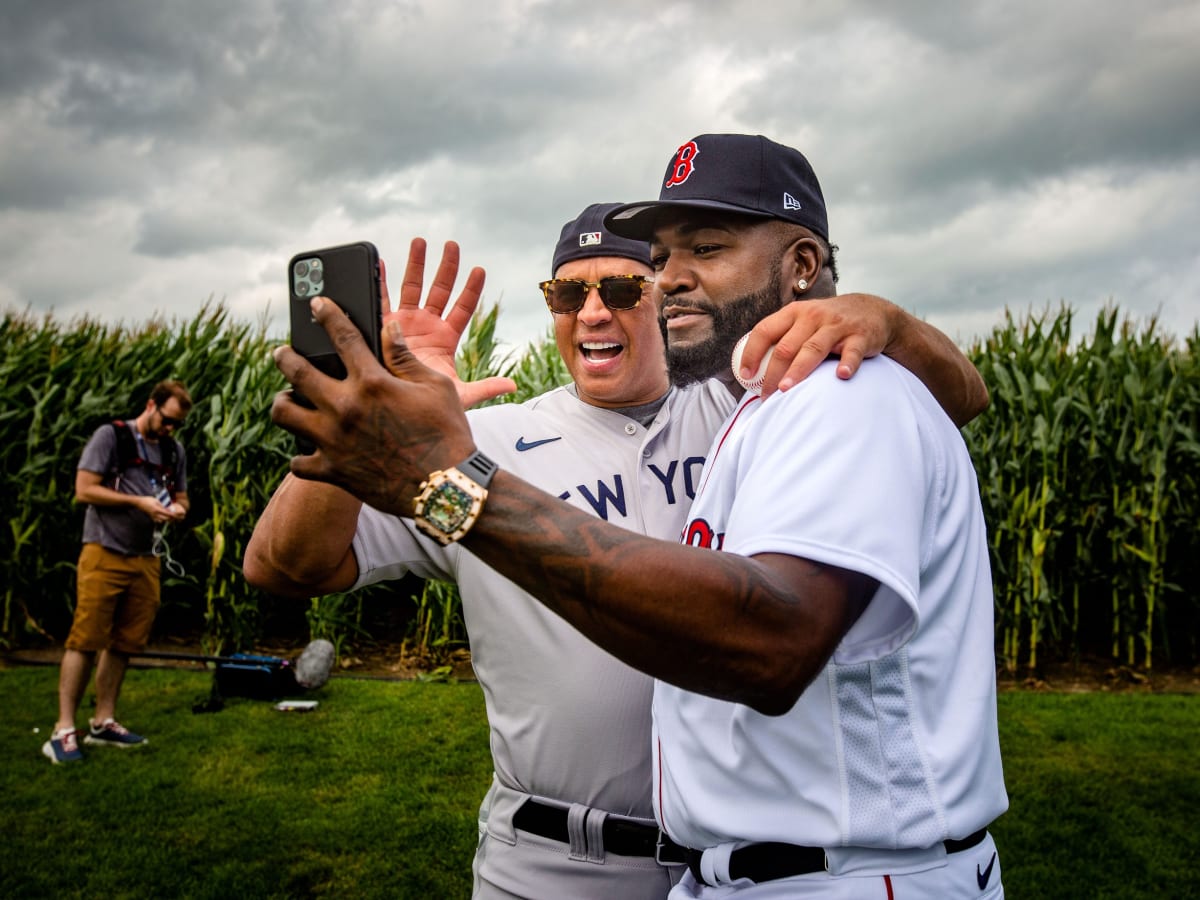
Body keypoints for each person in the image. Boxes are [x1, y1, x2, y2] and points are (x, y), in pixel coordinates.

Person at [251, 196, 990, 897]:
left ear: (667, 295)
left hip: (739, 860)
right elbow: (287, 566)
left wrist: (887, 320)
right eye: (566, 296)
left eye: (621, 289)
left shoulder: (744, 407)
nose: (592, 311)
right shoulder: (474, 449)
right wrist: (364, 403)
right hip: (555, 859)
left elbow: (954, 399)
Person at [43, 380, 192, 764]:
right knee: (86, 638)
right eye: (167, 420)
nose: (170, 430)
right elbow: (84, 490)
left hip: (147, 557)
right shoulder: (111, 437)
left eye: (177, 425)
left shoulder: (174, 452)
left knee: (126, 642)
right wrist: (138, 503)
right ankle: (63, 730)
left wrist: (177, 510)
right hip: (104, 551)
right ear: (151, 405)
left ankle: (103, 721)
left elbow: (182, 497)